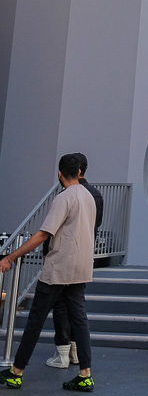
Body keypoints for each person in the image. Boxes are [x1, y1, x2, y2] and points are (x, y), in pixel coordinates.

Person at [0, 152, 96, 392]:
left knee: (36, 320)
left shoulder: (64, 198)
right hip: (81, 266)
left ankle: (16, 372)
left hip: (59, 267)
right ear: (81, 173)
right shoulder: (89, 196)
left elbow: (44, 233)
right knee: (80, 320)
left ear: (59, 174)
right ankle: (85, 375)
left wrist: (11, 256)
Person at [47, 153, 104, 371]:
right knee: (77, 306)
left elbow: (53, 230)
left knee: (60, 304)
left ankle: (62, 351)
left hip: (64, 256)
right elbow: (95, 226)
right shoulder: (95, 195)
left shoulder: (68, 195)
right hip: (84, 256)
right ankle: (75, 352)